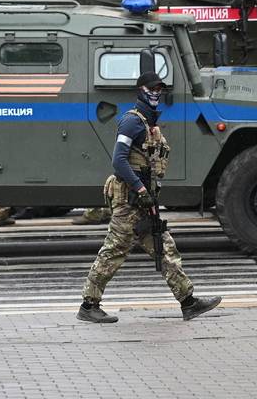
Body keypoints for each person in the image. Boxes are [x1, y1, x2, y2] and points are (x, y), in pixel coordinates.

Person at [78, 72, 221, 323]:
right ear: (141, 90)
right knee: (113, 251)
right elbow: (118, 161)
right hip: (129, 203)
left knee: (164, 249)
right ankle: (88, 305)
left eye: (159, 89)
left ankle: (188, 302)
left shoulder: (148, 123)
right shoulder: (131, 122)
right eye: (151, 89)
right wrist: (140, 189)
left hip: (145, 203)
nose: (156, 93)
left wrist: (148, 196)